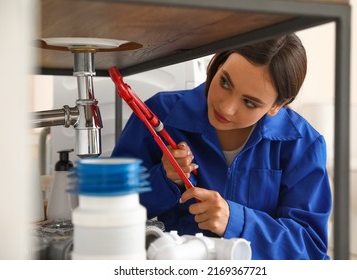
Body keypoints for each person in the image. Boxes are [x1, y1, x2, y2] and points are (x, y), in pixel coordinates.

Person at [111, 33, 332, 260]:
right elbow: (110, 207)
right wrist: (163, 178)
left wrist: (235, 221)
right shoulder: (160, 113)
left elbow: (310, 250)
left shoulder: (303, 145)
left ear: (278, 105)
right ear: (218, 63)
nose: (226, 108)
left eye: (249, 102)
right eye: (225, 82)